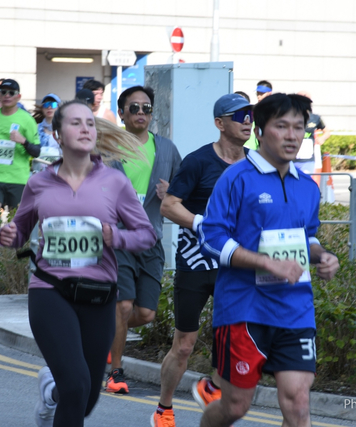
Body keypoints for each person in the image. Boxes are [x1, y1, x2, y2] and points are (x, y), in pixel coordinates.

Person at [0, 99, 156, 427]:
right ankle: (61, 391)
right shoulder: (39, 183)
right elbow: (20, 232)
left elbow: (146, 235)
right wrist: (8, 234)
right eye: (75, 123)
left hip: (99, 294)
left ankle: (51, 393)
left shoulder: (115, 182)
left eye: (90, 123)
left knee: (85, 397)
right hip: (50, 290)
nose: (85, 129)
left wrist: (116, 237)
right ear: (57, 135)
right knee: (77, 385)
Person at [197, 93, 340, 427]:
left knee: (298, 402)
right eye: (282, 126)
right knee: (235, 407)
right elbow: (211, 239)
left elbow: (308, 237)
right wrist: (266, 262)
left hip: (295, 308)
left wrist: (323, 256)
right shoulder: (236, 178)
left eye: (299, 127)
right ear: (260, 131)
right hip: (244, 309)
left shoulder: (308, 187)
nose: (292, 136)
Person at [152, 94, 252, 426]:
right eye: (239, 114)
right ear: (219, 123)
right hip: (195, 262)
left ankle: (211, 386)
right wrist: (203, 224)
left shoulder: (256, 165)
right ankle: (164, 408)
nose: (247, 120)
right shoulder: (198, 161)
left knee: (236, 338)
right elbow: (169, 205)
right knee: (184, 344)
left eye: (250, 114)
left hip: (234, 265)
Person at [106, 86, 182, 395]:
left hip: (151, 238)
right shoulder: (107, 149)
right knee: (123, 305)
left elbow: (184, 189)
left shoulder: (166, 149)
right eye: (134, 108)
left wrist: (171, 192)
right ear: (122, 113)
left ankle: (104, 331)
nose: (141, 113)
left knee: (146, 313)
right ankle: (115, 372)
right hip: (117, 239)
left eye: (146, 108)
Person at [0, 79, 40, 231]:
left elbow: (36, 151)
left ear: (18, 97)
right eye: (3, 92)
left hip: (17, 178)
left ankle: (15, 248)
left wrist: (23, 141)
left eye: (11, 93)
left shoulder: (27, 120)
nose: (6, 95)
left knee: (16, 225)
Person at [293, 91, 330, 177]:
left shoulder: (315, 118)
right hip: (290, 159)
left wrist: (322, 138)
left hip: (307, 160)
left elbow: (327, 132)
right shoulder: (289, 116)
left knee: (305, 182)